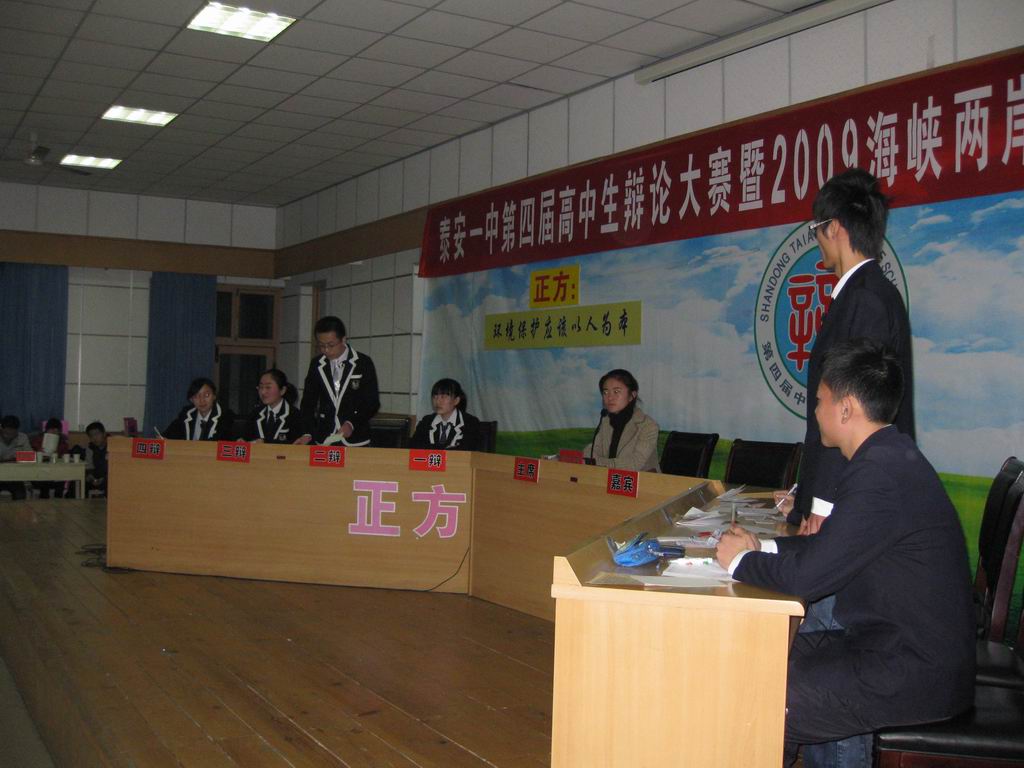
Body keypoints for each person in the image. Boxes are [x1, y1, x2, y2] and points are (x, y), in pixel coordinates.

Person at [716, 340, 974, 767]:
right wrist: (763, 546)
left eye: (819, 401)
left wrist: (741, 562)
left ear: (846, 408)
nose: (815, 412)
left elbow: (810, 577)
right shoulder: (888, 457)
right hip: (892, 645)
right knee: (763, 659)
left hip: (914, 667)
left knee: (763, 693)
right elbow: (832, 548)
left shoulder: (880, 473)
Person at [786, 168, 914, 532]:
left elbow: (850, 408)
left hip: (854, 498)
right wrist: (806, 496)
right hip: (849, 492)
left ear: (835, 228)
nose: (817, 239)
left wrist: (824, 504)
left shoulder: (865, 299)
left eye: (816, 229)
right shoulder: (862, 294)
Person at [298, 316, 380, 446]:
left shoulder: (363, 362)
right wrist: (307, 433)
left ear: (343, 339)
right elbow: (308, 403)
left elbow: (372, 403)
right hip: (324, 438)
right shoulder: (316, 364)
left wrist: (351, 423)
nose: (326, 350)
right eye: (321, 346)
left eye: (331, 345)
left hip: (355, 438)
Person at [582, 369, 659, 472]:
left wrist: (597, 462)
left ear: (632, 395)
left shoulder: (648, 425)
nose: (610, 397)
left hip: (642, 480)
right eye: (605, 392)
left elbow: (634, 464)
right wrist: (592, 460)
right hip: (607, 477)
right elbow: (590, 452)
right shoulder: (606, 421)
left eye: (616, 391)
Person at [410, 378, 482, 451]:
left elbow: (468, 449)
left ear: (456, 400)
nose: (438, 401)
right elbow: (414, 447)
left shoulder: (470, 423)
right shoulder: (426, 422)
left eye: (443, 397)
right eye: (435, 397)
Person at [164, 377, 236, 441]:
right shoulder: (186, 415)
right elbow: (168, 435)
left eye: (206, 395)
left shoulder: (225, 416)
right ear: (191, 400)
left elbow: (224, 440)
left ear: (214, 396)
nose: (202, 400)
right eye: (196, 396)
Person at [246, 368, 306, 444]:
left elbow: (296, 443)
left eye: (268, 387)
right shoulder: (255, 414)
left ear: (282, 390)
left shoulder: (295, 415)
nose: (263, 392)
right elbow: (246, 437)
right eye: (261, 387)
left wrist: (265, 442)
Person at [30, 417, 72, 499]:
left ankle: (58, 501)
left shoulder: (63, 442)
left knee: (61, 479)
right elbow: (29, 456)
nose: (54, 432)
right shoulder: (37, 440)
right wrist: (39, 452)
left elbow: (65, 457)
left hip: (56, 472)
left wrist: (57, 455)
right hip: (39, 473)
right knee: (45, 479)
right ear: (46, 430)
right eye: (51, 429)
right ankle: (44, 500)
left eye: (57, 430)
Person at [0, 415, 31, 500]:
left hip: (15, 476)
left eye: (12, 434)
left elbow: (30, 456)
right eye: (6, 433)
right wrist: (15, 457)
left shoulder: (22, 437)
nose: (8, 436)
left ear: (17, 431)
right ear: (1, 428)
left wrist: (8, 458)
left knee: (20, 496)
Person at [84, 421, 108, 497]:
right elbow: (89, 466)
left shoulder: (112, 446)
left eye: (97, 434)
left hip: (110, 476)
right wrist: (90, 476)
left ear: (104, 434)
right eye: (91, 436)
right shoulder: (90, 448)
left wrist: (104, 478)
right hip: (96, 477)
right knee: (78, 482)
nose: (94, 438)